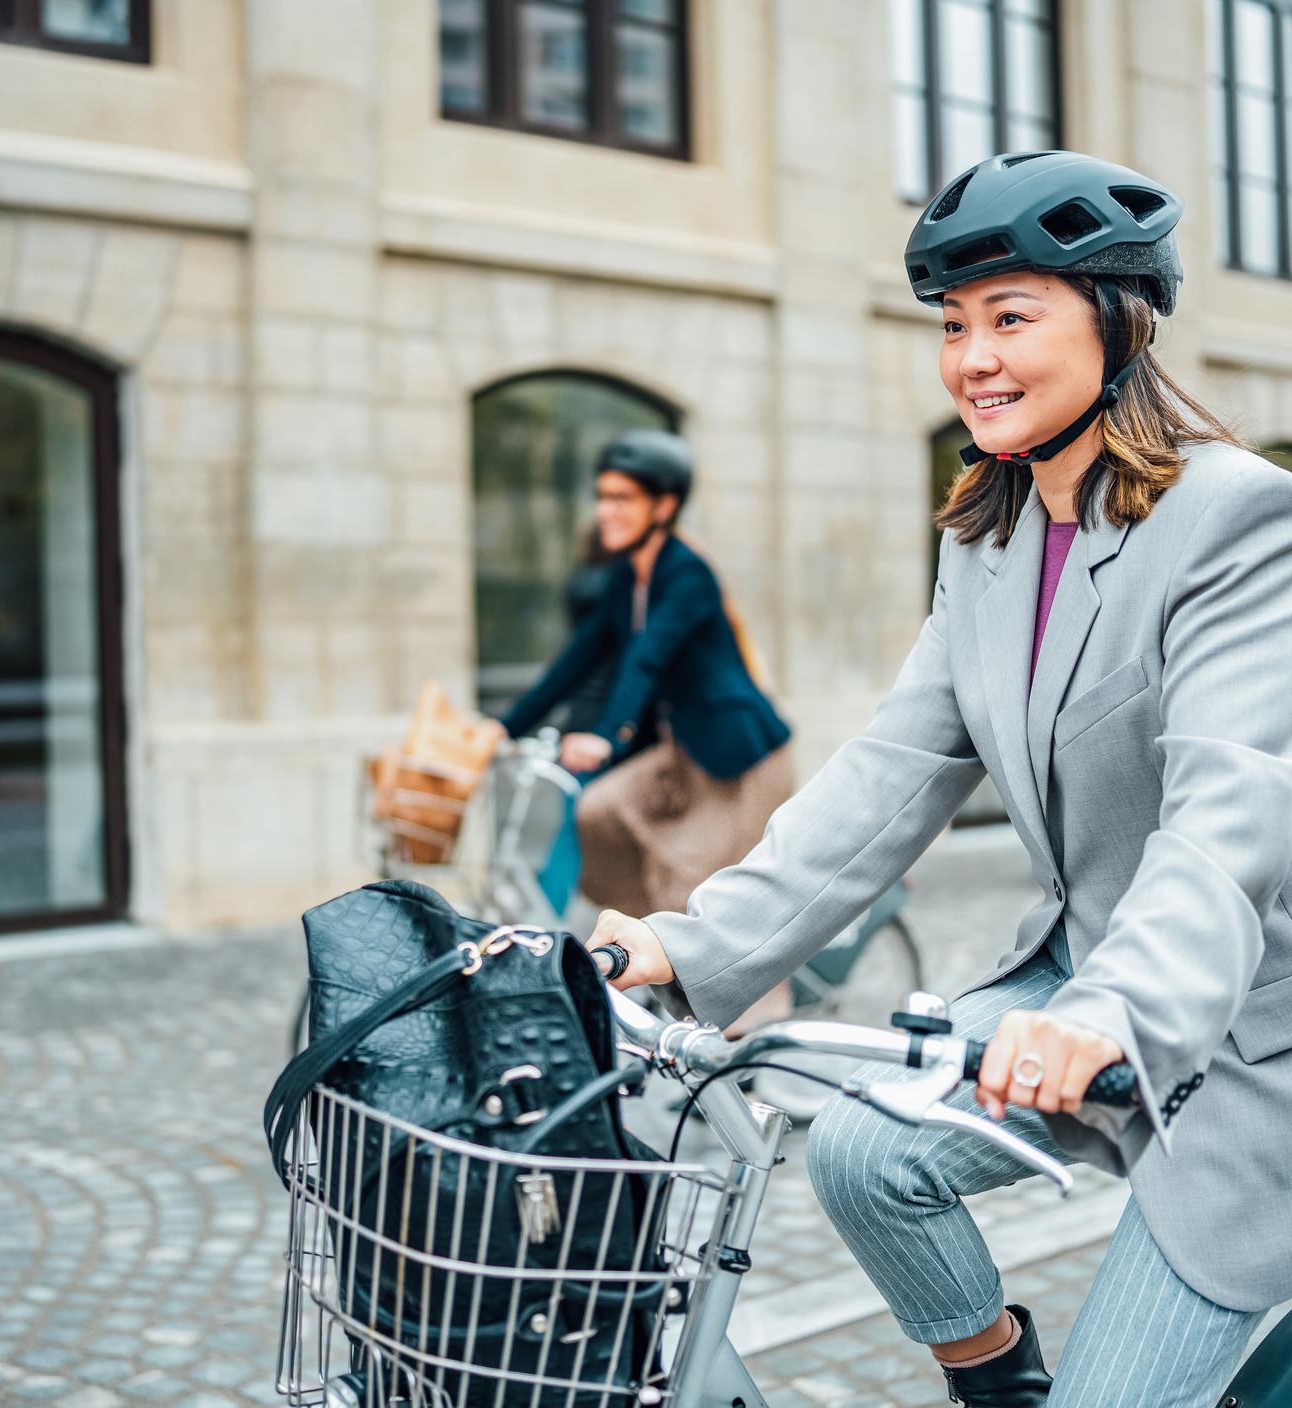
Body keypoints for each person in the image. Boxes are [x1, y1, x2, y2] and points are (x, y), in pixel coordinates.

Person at [587, 151, 1292, 1407]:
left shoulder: (1238, 521)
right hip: (1077, 983)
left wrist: (1105, 1014)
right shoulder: (992, 533)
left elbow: (1225, 824)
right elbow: (889, 773)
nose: (971, 356)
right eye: (953, 325)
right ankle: (996, 1383)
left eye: (1011, 317)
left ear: (1119, 323)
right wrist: (685, 948)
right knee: (861, 1149)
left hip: (1242, 1027)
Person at [498, 428, 794, 930]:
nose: (605, 511)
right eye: (602, 497)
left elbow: (646, 657)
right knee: (597, 810)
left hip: (738, 760)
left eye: (622, 499)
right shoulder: (627, 576)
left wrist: (607, 737)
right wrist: (506, 727)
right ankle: (652, 945)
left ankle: (755, 1004)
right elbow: (579, 658)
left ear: (662, 507)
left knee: (704, 895)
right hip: (681, 752)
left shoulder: (687, 575)